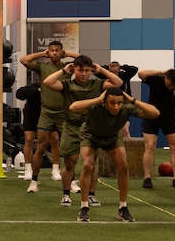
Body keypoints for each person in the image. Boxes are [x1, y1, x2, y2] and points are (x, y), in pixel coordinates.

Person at [43, 55, 122, 209]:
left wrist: (101, 70)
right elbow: (47, 82)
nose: (83, 74)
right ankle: (66, 194)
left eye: (87, 70)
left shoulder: (97, 84)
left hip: (91, 128)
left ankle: (91, 195)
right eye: (80, 70)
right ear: (74, 70)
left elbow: (118, 83)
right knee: (69, 162)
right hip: (71, 127)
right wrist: (63, 70)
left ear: (91, 71)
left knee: (91, 164)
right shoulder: (67, 84)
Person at [70, 88, 159, 222]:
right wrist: (98, 99)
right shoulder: (96, 107)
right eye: (112, 103)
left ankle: (122, 208)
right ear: (105, 102)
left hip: (112, 137)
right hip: (91, 136)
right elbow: (73, 107)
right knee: (88, 165)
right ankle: (84, 207)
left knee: (123, 166)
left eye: (119, 103)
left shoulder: (126, 108)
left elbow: (155, 113)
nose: (116, 106)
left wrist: (133, 100)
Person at [19, 42, 77, 191]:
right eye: (52, 51)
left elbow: (86, 61)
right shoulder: (43, 67)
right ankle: (34, 181)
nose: (54, 53)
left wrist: (68, 54)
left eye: (57, 51)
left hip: (63, 112)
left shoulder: (68, 67)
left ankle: (71, 181)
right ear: (48, 52)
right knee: (41, 146)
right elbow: (24, 60)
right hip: (46, 112)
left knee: (68, 148)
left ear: (61, 52)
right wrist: (41, 54)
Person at [137, 68, 175, 189]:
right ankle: (147, 178)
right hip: (151, 116)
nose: (171, 88)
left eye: (173, 86)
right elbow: (141, 74)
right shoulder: (156, 80)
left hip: (170, 118)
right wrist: (161, 71)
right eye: (168, 84)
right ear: (165, 78)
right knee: (150, 146)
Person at [106, 61, 139, 139]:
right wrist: (105, 68)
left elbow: (134, 69)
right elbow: (97, 70)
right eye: (111, 72)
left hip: (124, 104)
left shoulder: (125, 76)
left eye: (115, 72)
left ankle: (129, 148)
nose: (113, 74)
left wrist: (123, 67)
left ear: (119, 70)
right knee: (111, 128)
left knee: (125, 129)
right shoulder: (107, 77)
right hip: (112, 105)